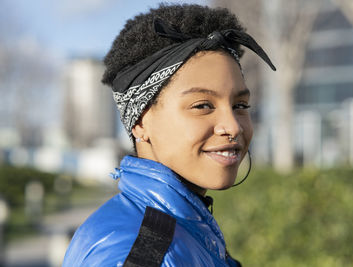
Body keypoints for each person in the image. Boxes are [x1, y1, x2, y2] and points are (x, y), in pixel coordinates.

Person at [62, 3, 275, 267]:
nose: (233, 126)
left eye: (240, 106)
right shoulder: (143, 252)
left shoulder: (186, 226)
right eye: (203, 106)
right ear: (140, 122)